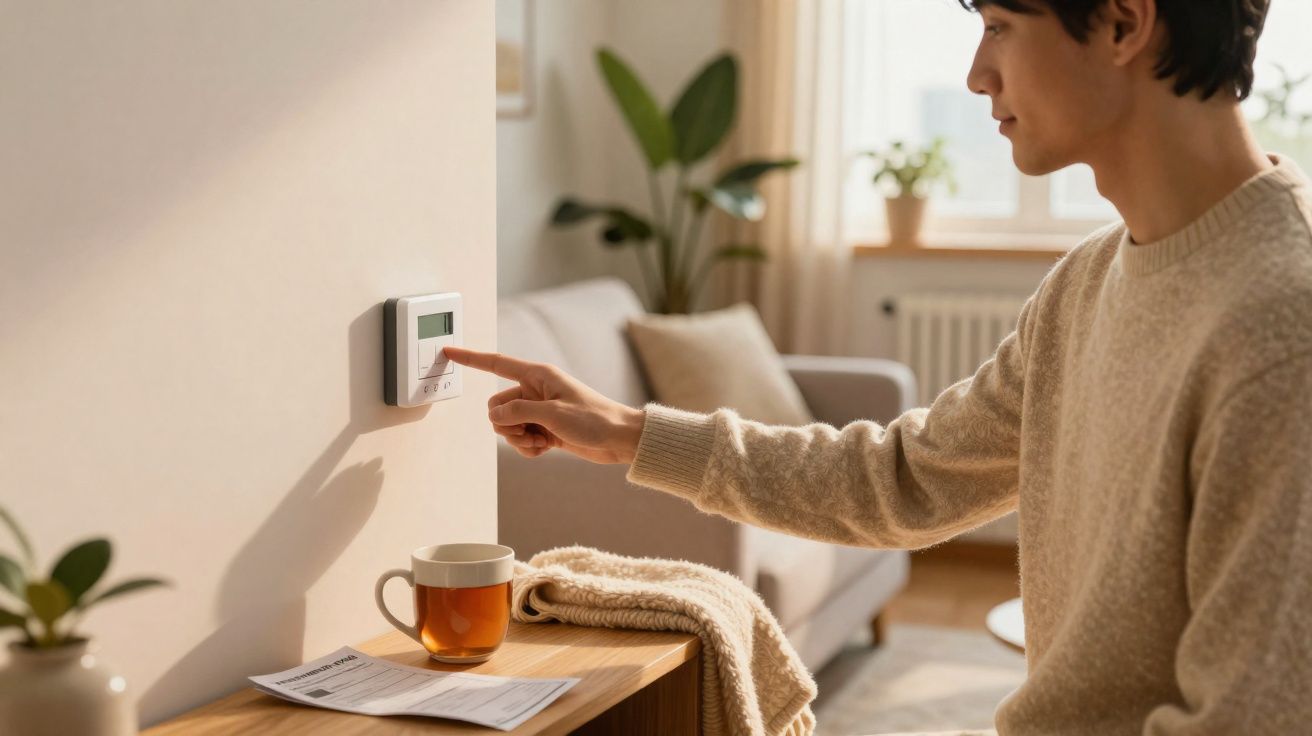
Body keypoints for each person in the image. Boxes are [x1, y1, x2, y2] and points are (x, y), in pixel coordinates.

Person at [446, 0, 1312, 732]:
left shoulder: (1281, 330)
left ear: (1124, 22)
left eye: (1002, 26)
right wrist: (630, 432)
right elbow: (902, 480)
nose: (978, 74)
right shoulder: (1085, 285)